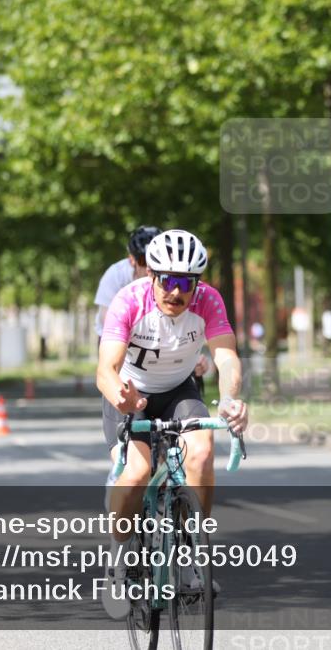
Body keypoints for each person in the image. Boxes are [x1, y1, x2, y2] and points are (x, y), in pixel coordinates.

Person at [96, 229, 248, 619]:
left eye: (186, 283)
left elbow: (227, 357)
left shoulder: (209, 301)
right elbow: (106, 369)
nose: (176, 292)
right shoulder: (128, 300)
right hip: (130, 393)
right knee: (137, 471)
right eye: (167, 280)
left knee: (201, 453)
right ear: (150, 276)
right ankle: (119, 557)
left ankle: (194, 554)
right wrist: (121, 396)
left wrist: (231, 400)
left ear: (197, 283)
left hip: (179, 389)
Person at [94, 225, 162, 340]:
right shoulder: (115, 275)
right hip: (113, 334)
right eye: (144, 261)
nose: (149, 268)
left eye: (156, 261)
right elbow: (106, 317)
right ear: (132, 259)